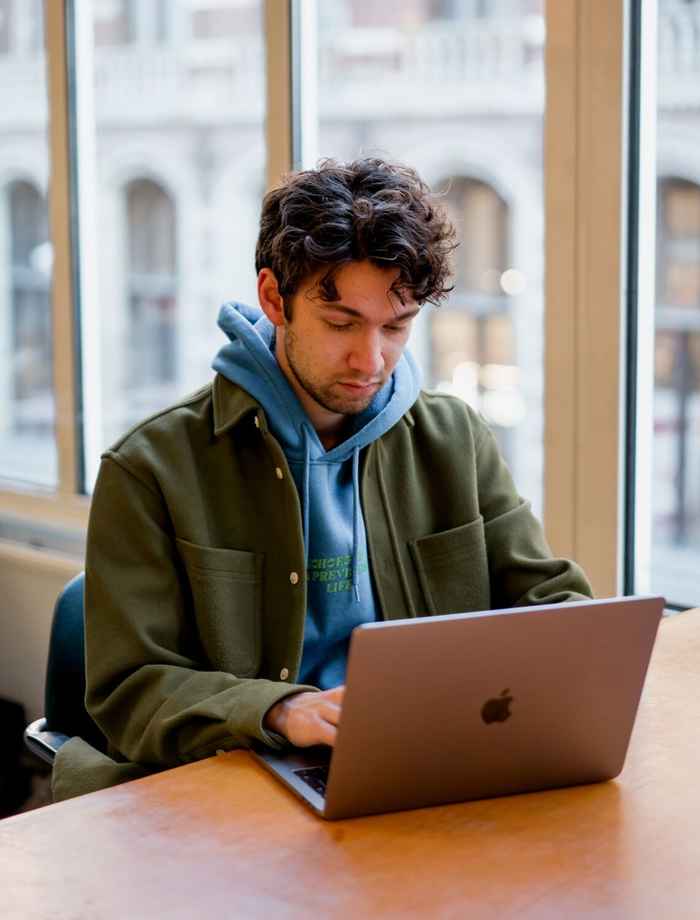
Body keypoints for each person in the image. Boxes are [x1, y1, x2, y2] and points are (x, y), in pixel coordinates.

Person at [52, 157, 592, 801]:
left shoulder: (455, 439)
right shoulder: (151, 469)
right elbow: (129, 690)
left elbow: (551, 603)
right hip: (238, 782)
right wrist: (279, 710)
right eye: (341, 324)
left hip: (428, 768)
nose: (372, 360)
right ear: (274, 299)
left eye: (396, 327)